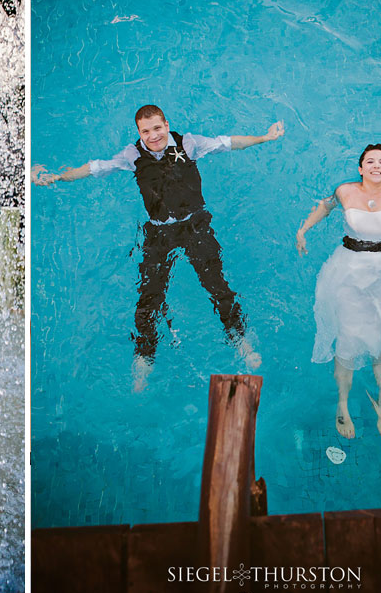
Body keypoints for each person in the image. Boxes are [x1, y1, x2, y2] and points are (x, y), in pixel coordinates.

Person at [33, 104, 284, 390]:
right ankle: (144, 354)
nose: (153, 136)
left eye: (157, 128)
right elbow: (95, 167)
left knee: (216, 285)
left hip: (195, 226)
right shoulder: (132, 155)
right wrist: (57, 177)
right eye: (145, 131)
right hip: (160, 233)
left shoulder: (189, 143)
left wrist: (264, 138)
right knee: (148, 297)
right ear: (138, 132)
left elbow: (227, 143)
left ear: (166, 124)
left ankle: (240, 339)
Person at [296, 143, 381, 439]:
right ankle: (342, 404)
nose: (378, 166)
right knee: (348, 335)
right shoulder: (344, 191)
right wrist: (303, 230)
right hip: (350, 268)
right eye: (371, 162)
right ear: (361, 168)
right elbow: (324, 208)